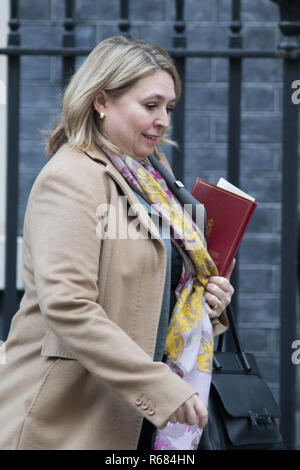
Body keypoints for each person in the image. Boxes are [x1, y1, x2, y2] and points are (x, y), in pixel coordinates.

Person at [0, 36, 234, 450]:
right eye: (151, 105)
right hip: (72, 417)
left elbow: (160, 286)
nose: (163, 120)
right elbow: (68, 306)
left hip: (148, 412)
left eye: (169, 108)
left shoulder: (155, 179)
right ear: (102, 101)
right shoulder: (70, 178)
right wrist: (157, 386)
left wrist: (208, 299)